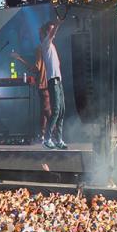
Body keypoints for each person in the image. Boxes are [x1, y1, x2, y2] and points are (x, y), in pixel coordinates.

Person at [39, 16, 67, 149]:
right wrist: (58, 23)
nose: (53, 33)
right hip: (53, 81)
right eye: (50, 31)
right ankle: (47, 138)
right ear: (46, 33)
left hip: (58, 80)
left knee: (61, 111)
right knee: (55, 110)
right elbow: (52, 32)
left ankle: (59, 140)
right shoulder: (45, 43)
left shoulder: (52, 46)